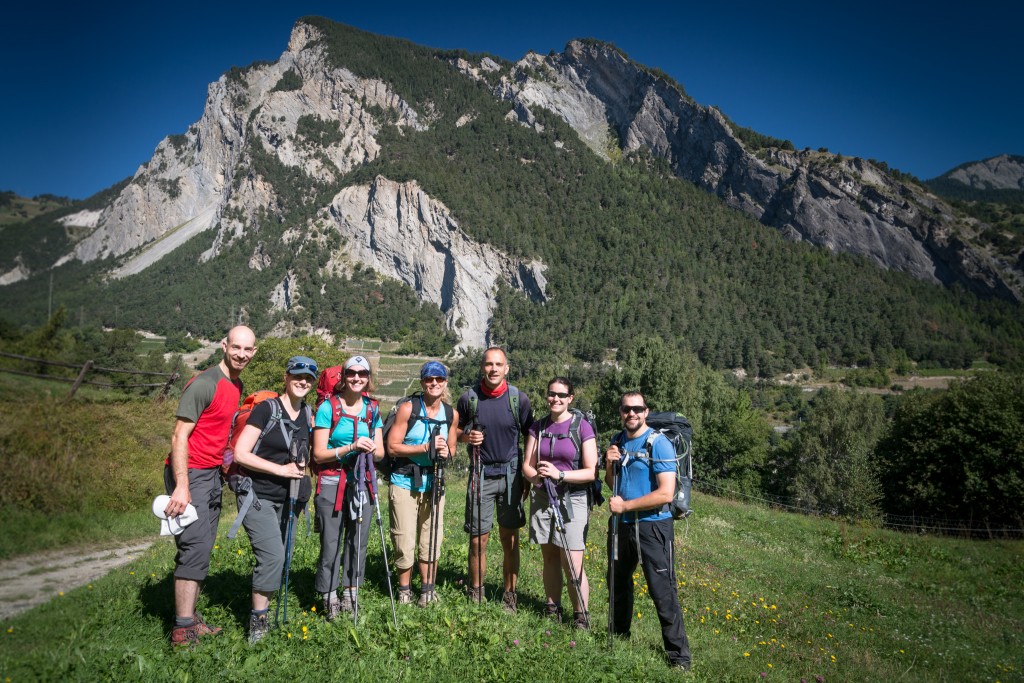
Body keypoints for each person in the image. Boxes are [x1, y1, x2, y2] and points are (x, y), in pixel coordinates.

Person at [163, 325, 257, 647]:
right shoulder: (205, 383)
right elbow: (179, 436)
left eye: (247, 349)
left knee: (201, 549)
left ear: (254, 352)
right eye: (236, 347)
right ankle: (182, 629)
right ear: (224, 346)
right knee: (194, 549)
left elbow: (218, 432)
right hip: (190, 474)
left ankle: (189, 617)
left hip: (211, 474)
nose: (241, 354)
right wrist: (182, 486)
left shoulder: (236, 384)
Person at [230, 356, 315, 643]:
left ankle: (262, 611)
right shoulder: (266, 410)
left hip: (289, 498)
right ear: (286, 377)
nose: (303, 381)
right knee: (273, 557)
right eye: (297, 375)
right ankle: (258, 622)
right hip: (257, 495)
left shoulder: (307, 413)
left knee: (282, 558)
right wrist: (281, 469)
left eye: (308, 378)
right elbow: (241, 453)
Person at [605, 391, 692, 671]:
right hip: (622, 526)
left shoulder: (660, 444)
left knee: (662, 591)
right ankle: (619, 636)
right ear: (620, 412)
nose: (631, 413)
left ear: (646, 411)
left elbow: (666, 493)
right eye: (626, 409)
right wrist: (609, 463)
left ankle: (679, 657)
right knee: (617, 584)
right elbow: (612, 485)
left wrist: (626, 506)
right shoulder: (617, 441)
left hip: (654, 526)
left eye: (637, 409)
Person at [456, 347, 533, 610]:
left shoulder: (518, 400)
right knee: (478, 539)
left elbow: (530, 438)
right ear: (481, 367)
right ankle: (476, 592)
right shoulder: (469, 399)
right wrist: (466, 437)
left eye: (498, 364)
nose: (493, 369)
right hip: (481, 475)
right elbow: (454, 429)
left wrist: (527, 476)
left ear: (507, 368)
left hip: (511, 477)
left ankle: (509, 596)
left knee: (509, 539)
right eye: (489, 364)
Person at [311, 355, 384, 620]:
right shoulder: (328, 408)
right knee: (331, 543)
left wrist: (373, 450)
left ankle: (351, 592)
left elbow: (380, 453)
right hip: (332, 481)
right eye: (351, 373)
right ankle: (328, 595)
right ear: (344, 376)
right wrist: (351, 447)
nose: (356, 378)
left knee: (358, 542)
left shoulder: (372, 408)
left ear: (368, 378)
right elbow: (318, 454)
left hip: (362, 482)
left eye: (362, 374)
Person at [522, 377, 597, 629]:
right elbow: (527, 465)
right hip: (544, 496)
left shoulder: (582, 427)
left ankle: (581, 616)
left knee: (572, 560)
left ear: (570, 398)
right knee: (550, 556)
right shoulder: (539, 426)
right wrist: (538, 480)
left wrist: (560, 474)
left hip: (573, 498)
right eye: (552, 394)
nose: (555, 399)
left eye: (561, 395)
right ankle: (552, 607)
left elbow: (591, 471)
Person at [385, 361, 458, 607]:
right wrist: (424, 448)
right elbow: (392, 447)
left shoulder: (451, 414)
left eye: (439, 379)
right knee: (404, 538)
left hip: (434, 482)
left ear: (445, 382)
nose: (434, 383)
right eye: (429, 379)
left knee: (432, 538)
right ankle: (404, 590)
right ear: (422, 382)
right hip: (404, 480)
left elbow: (453, 447)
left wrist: (447, 452)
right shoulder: (408, 409)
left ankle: (427, 589)